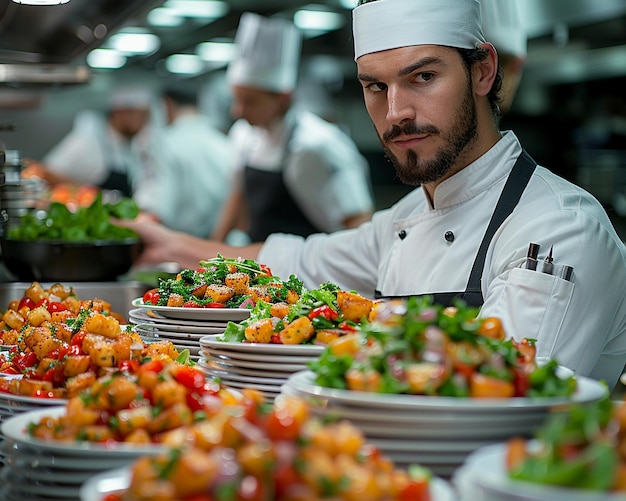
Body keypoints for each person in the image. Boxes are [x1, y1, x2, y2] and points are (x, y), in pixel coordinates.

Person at [116, 0, 626, 390]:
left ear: (482, 72)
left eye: (422, 77)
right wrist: (168, 245)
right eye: (375, 87)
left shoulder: (557, 228)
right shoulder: (404, 217)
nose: (397, 111)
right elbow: (299, 260)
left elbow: (503, 394)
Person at [210, 12, 374, 243]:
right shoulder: (244, 135)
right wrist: (210, 253)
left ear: (283, 98)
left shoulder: (317, 145)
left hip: (306, 269)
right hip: (259, 264)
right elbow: (237, 196)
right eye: (235, 99)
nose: (237, 111)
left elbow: (357, 220)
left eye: (250, 101)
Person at [132, 84, 234, 238]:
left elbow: (154, 211)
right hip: (222, 248)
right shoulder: (224, 142)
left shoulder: (161, 144)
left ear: (166, 104)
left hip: (177, 248)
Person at [23, 86, 151, 197]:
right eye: (141, 115)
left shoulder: (130, 144)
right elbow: (44, 172)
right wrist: (89, 193)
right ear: (120, 112)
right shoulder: (87, 141)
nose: (145, 122)